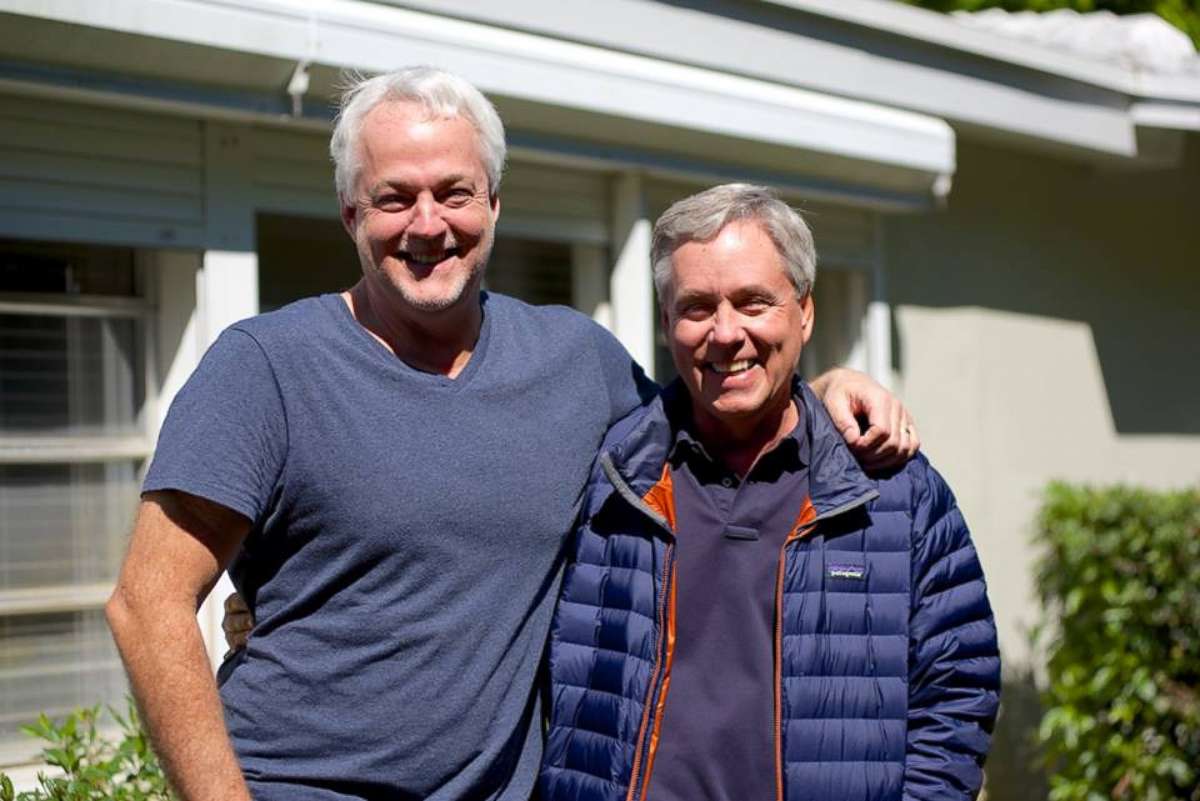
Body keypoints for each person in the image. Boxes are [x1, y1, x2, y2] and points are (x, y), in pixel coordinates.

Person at [105, 67, 919, 801]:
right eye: (395, 197)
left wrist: (820, 388)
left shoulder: (577, 362)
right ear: (351, 213)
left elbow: (715, 425)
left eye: (455, 192)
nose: (429, 224)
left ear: (494, 202)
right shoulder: (267, 368)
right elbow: (148, 604)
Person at [538, 184, 1000, 801]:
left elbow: (958, 690)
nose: (726, 334)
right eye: (697, 307)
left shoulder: (895, 493)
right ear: (666, 321)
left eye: (753, 302)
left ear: (804, 312)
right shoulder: (606, 479)